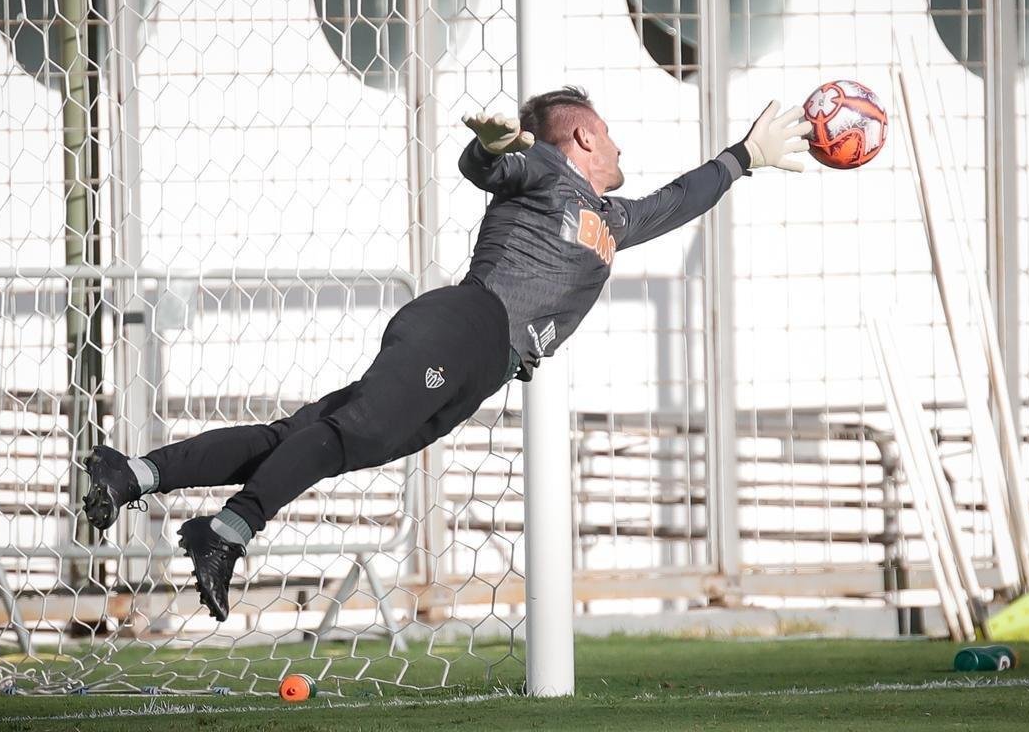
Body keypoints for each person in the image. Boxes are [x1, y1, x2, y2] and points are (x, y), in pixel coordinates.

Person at [81, 87, 809, 621]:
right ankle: (227, 530)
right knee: (352, 436)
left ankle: (135, 474)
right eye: (610, 133)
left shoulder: (611, 219)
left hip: (483, 363)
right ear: (582, 137)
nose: (621, 148)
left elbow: (679, 199)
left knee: (302, 439)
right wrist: (491, 146)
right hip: (468, 323)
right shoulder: (547, 172)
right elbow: (493, 168)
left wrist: (743, 158)